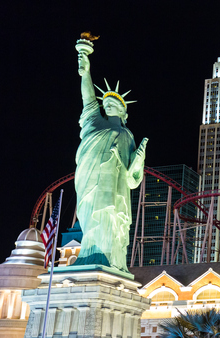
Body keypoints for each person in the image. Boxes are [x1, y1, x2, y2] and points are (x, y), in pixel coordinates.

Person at [74, 42, 147, 271]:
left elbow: (131, 178)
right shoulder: (95, 122)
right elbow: (88, 98)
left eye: (115, 104)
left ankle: (109, 257)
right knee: (90, 219)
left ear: (124, 112)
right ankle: (89, 254)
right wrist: (86, 71)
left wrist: (139, 160)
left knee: (109, 219)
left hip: (114, 189)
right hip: (90, 180)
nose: (109, 105)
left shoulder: (127, 135)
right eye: (106, 103)